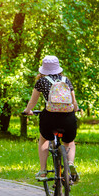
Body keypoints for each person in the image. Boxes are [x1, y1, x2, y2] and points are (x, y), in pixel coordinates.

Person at [23, 55, 80, 183]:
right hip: (68, 118)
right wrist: (75, 109)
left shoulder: (41, 82)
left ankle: (43, 171)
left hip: (50, 117)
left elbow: (33, 102)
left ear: (43, 69)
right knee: (69, 142)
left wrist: (28, 111)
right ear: (58, 68)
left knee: (44, 139)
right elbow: (74, 102)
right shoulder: (66, 80)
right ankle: (70, 163)